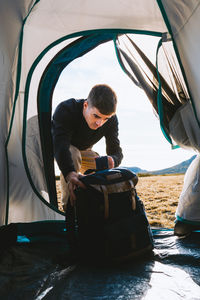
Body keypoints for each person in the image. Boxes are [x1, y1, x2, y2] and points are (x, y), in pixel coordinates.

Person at [52, 84, 123, 210]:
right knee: (73, 154)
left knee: (101, 164)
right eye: (96, 116)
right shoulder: (66, 109)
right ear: (85, 105)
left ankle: (98, 205)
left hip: (84, 151)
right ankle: (70, 209)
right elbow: (61, 145)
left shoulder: (111, 119)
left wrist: (113, 160)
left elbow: (116, 150)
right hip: (57, 147)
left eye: (105, 119)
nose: (99, 123)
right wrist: (70, 173)